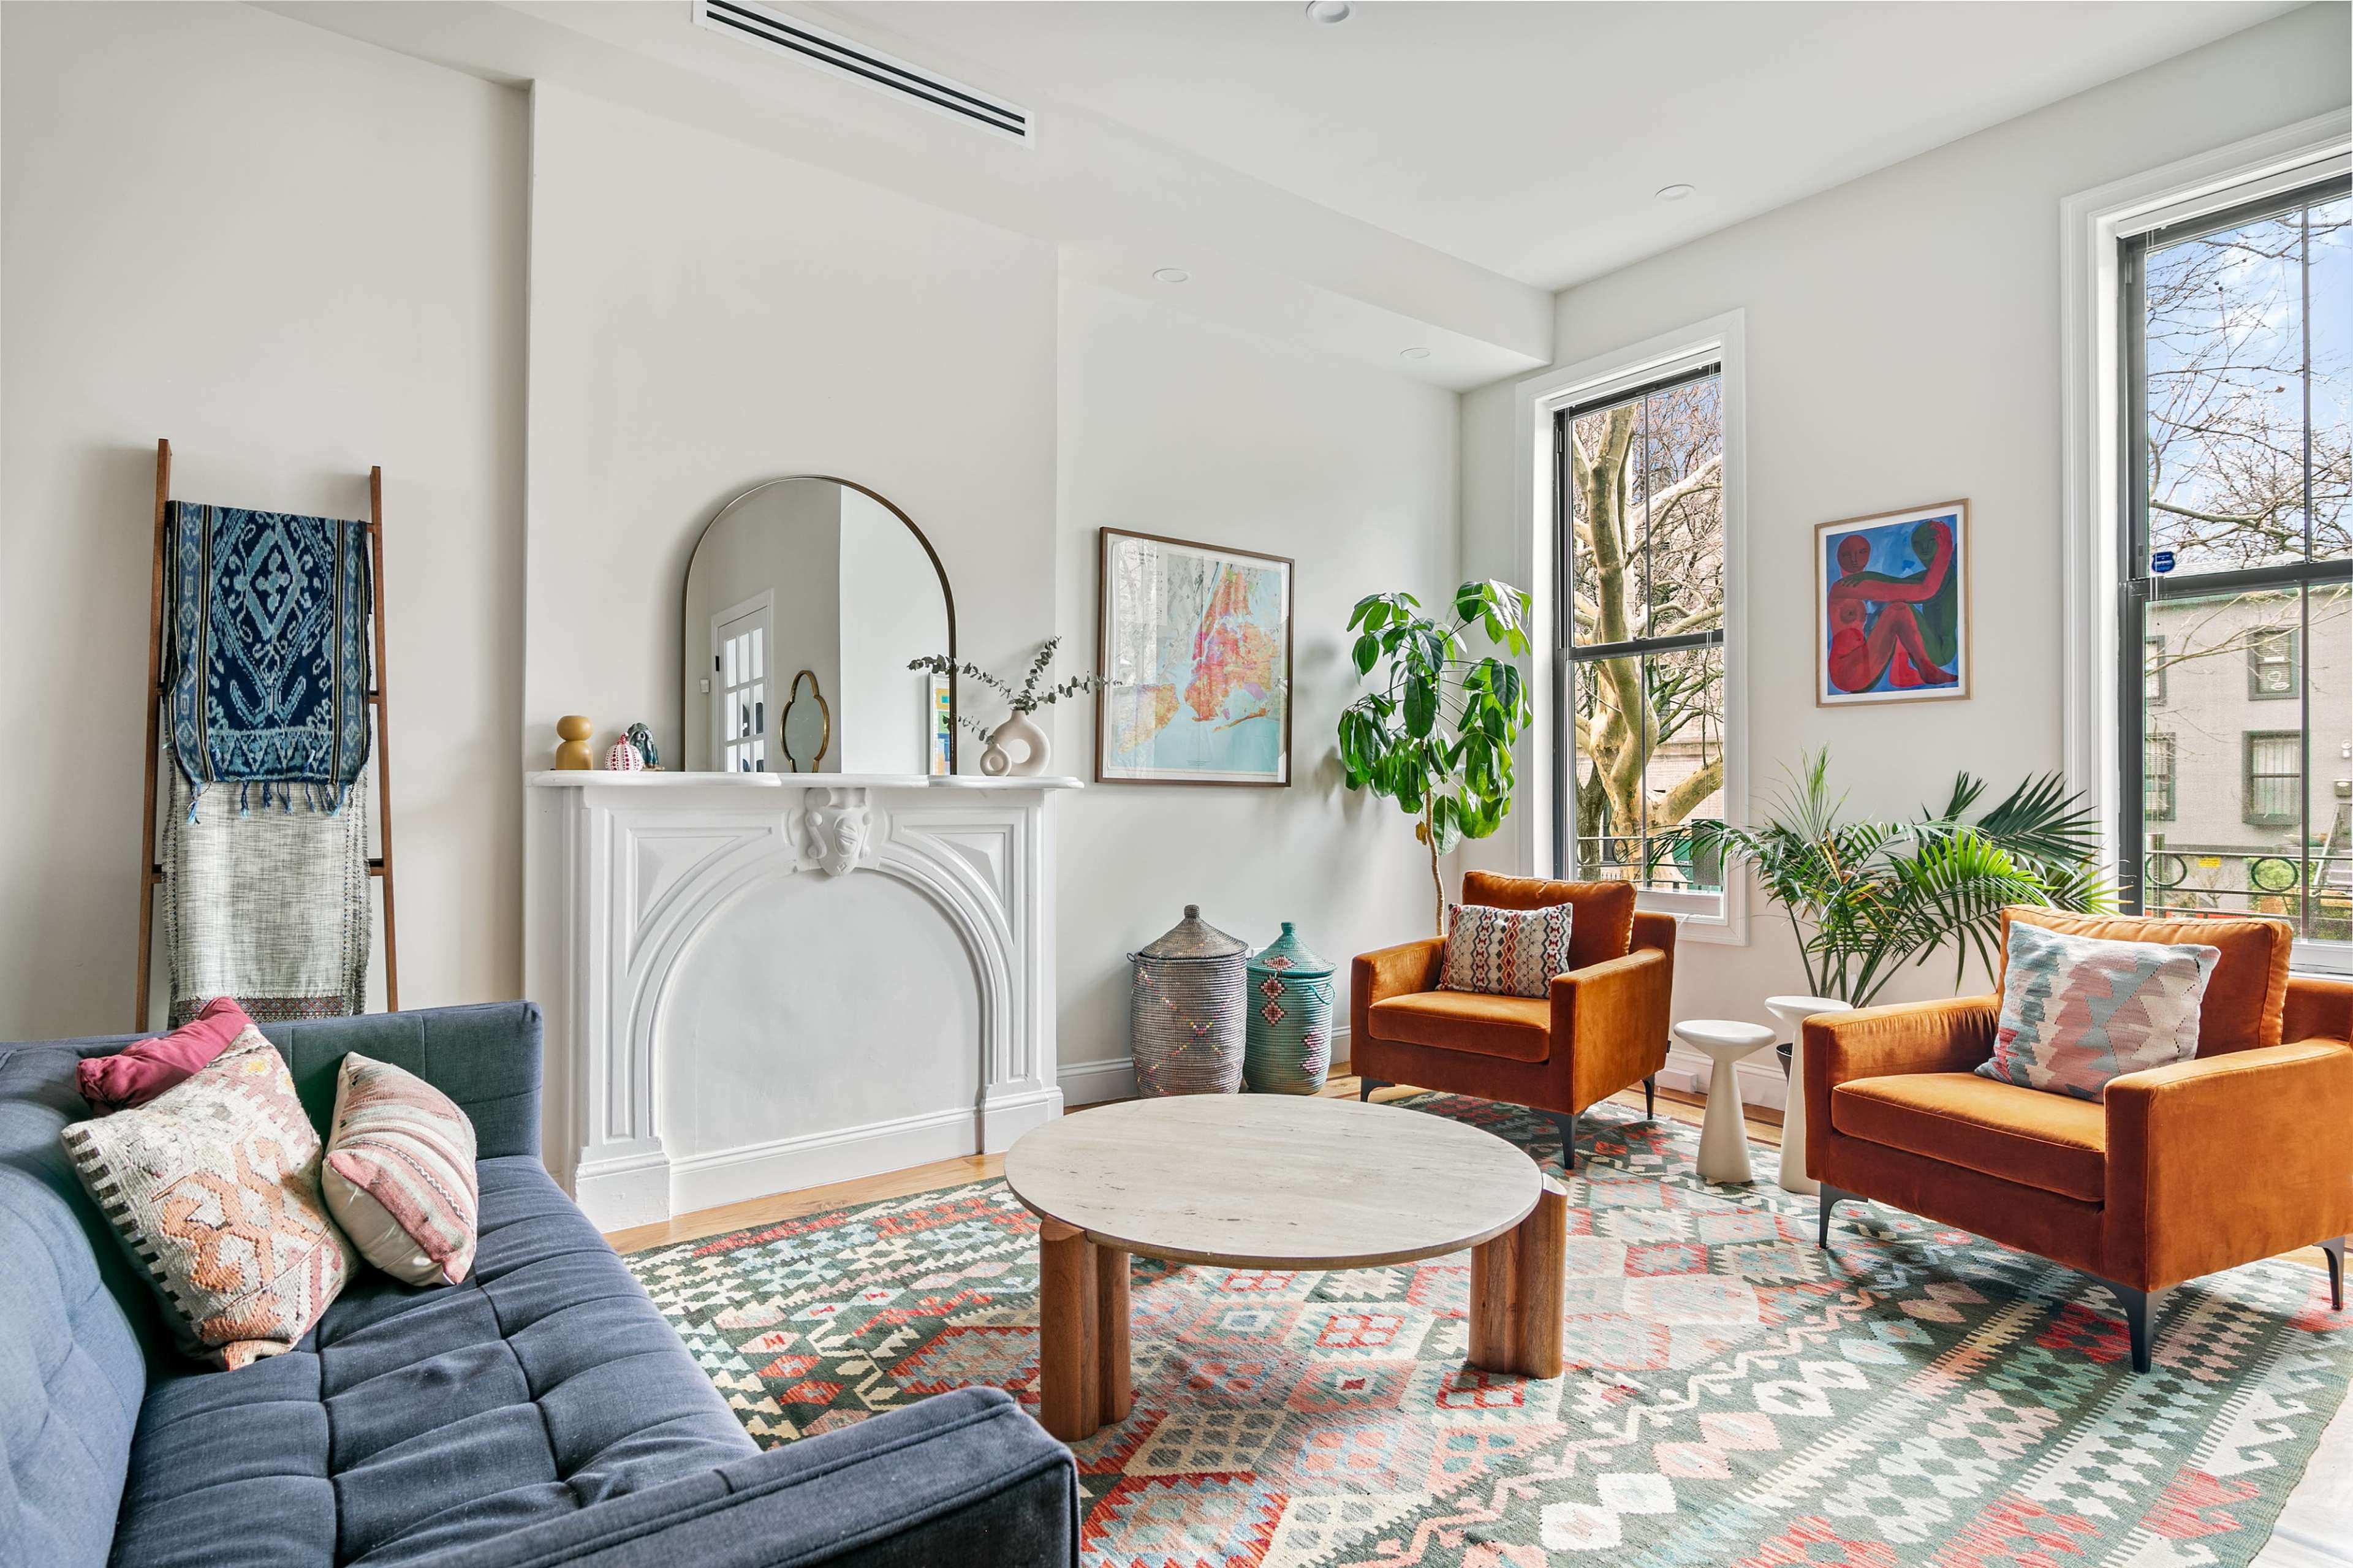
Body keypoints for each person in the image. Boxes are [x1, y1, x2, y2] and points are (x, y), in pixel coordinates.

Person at [1825, 519, 1956, 693]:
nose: (1855, 560)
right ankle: (1927, 669)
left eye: (1862, 552)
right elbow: (1925, 591)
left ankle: (1902, 672)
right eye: (1847, 555)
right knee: (1898, 610)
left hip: (1864, 660)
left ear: (1869, 555)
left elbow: (1899, 585)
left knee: (1888, 610)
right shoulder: (1845, 587)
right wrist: (1945, 551)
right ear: (1838, 557)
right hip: (1848, 670)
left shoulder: (1864, 585)